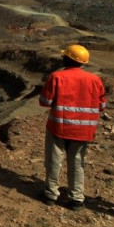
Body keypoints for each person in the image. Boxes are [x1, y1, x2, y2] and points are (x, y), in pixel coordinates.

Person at [39, 44, 106, 211]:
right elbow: (102, 105)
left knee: (54, 160)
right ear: (83, 62)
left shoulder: (57, 77)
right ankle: (76, 199)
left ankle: (50, 195)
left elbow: (44, 102)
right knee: (77, 163)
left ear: (66, 59)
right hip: (83, 131)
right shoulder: (95, 80)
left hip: (59, 127)